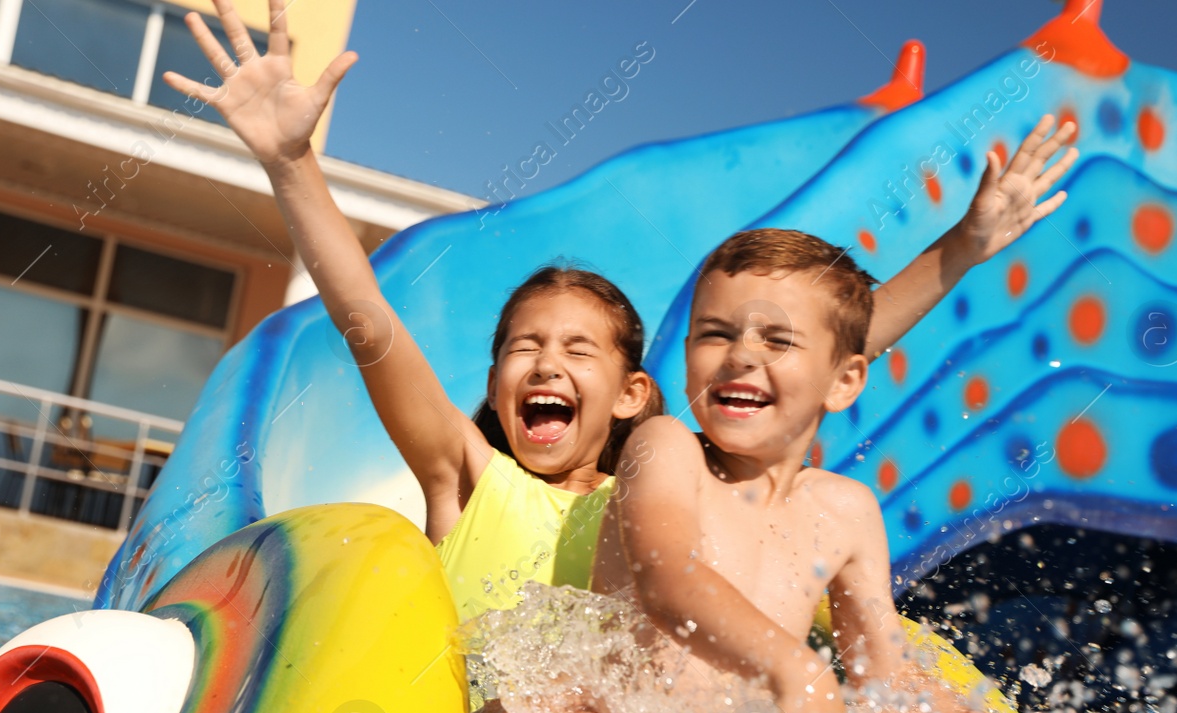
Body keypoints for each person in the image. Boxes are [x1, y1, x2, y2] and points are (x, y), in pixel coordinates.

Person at [164, 1, 1078, 627]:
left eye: (575, 350)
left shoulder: (671, 485)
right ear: (494, 383)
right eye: (523, 347)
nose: (546, 364)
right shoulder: (468, 475)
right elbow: (367, 323)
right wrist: (291, 165)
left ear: (636, 392)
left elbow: (813, 364)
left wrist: (962, 248)